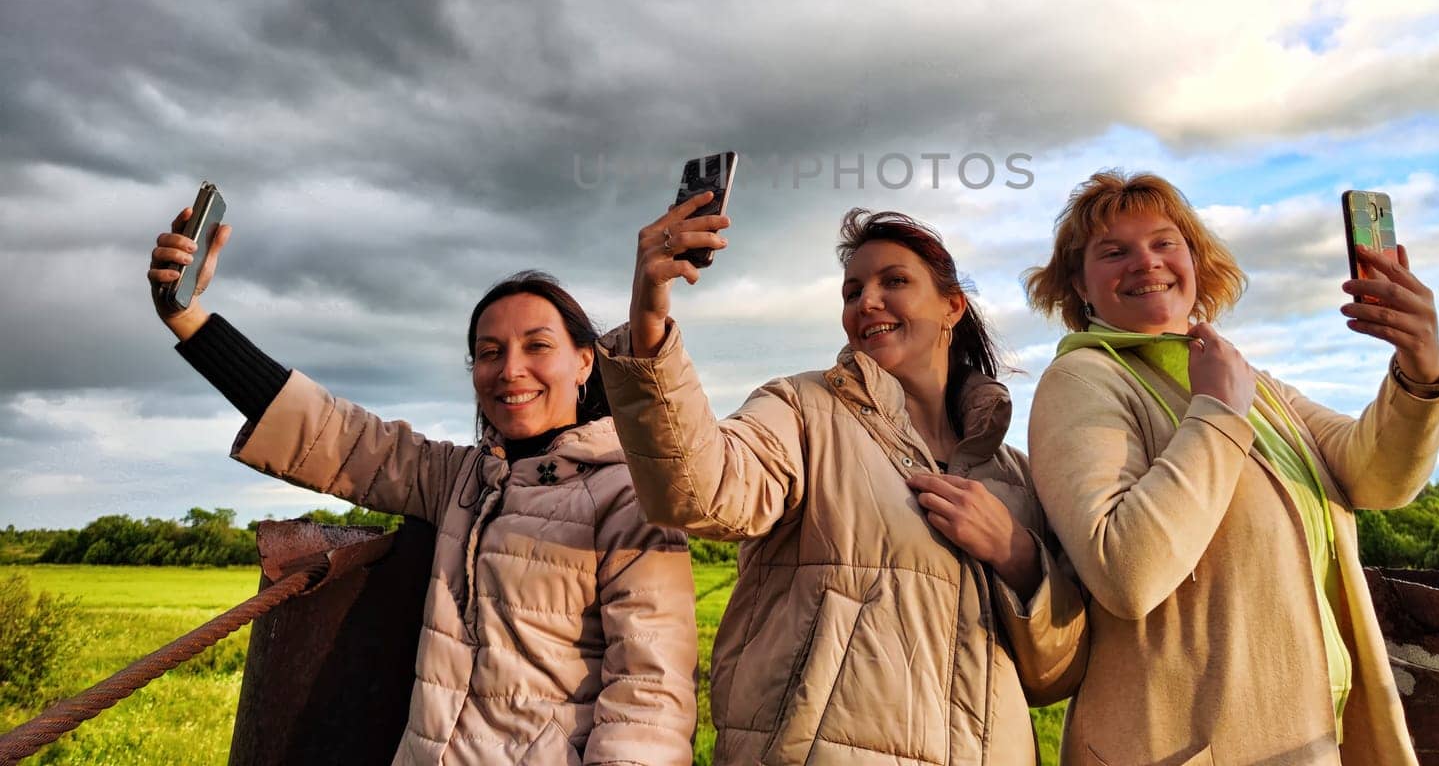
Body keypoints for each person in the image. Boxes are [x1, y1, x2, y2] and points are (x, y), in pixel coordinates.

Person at [146, 203, 697, 766]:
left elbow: (648, 697)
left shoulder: (631, 494)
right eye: (489, 353)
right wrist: (186, 318)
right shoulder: (459, 480)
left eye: (537, 346)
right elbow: (334, 434)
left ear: (584, 363)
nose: (510, 370)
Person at [596, 197, 1086, 766]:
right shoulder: (803, 409)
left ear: (953, 306)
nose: (867, 302)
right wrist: (649, 324)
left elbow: (1057, 675)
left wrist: (1017, 554)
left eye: (893, 281)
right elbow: (701, 490)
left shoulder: (1016, 477)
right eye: (852, 292)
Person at [1024, 170, 1439, 766]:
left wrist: (1420, 369)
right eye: (1114, 252)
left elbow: (1376, 477)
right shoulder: (1082, 380)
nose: (1146, 262)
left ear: (1195, 260)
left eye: (1163, 242)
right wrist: (1217, 413)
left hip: (1316, 736)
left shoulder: (1252, 381)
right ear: (1080, 284)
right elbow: (1124, 571)